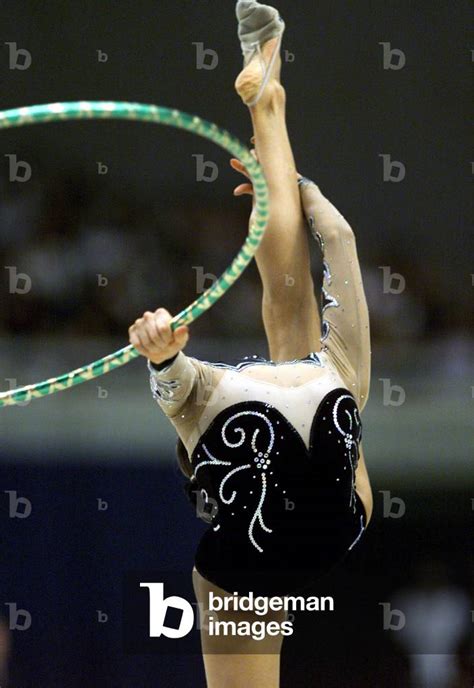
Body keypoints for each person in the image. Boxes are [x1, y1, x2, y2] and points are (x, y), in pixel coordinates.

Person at [128, 2, 373, 685]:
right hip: (254, 453)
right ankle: (268, 94)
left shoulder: (339, 381)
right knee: (287, 297)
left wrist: (313, 204)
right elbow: (174, 388)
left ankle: (270, 95)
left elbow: (343, 245)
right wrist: (161, 352)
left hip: (292, 512)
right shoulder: (207, 410)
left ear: (201, 473)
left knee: (290, 302)